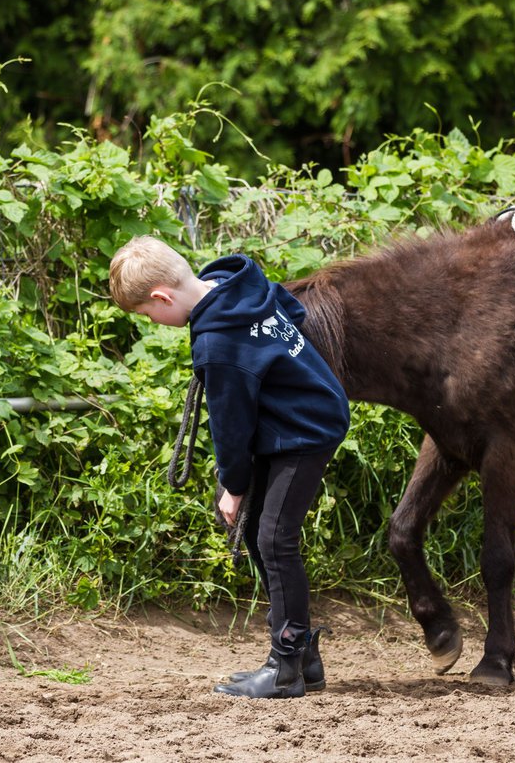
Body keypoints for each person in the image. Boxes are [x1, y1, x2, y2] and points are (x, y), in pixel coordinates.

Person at [109, 236, 350, 699]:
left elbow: (231, 425)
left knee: (274, 538)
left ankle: (285, 667)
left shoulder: (219, 341)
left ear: (161, 296)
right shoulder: (236, 287)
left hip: (305, 430)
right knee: (266, 533)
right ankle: (302, 660)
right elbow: (292, 313)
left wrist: (233, 485)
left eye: (146, 314)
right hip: (295, 419)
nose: (153, 322)